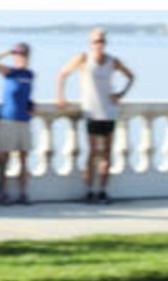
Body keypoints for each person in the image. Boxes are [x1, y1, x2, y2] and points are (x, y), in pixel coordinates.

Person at [57, 27, 135, 205]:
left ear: (105, 43)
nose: (98, 44)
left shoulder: (113, 61)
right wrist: (61, 97)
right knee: (93, 153)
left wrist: (120, 94)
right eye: (95, 41)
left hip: (109, 112)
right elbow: (62, 75)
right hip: (92, 111)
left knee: (107, 154)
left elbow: (130, 77)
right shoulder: (83, 59)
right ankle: (90, 190)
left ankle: (102, 191)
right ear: (90, 43)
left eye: (101, 41)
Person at [0, 42, 35, 205]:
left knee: (24, 159)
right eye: (18, 55)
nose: (21, 58)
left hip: (24, 121)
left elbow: (26, 95)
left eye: (24, 55)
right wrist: (8, 51)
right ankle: (4, 193)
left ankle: (23, 193)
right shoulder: (9, 72)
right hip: (8, 119)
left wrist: (30, 105)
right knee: (5, 159)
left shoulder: (30, 74)